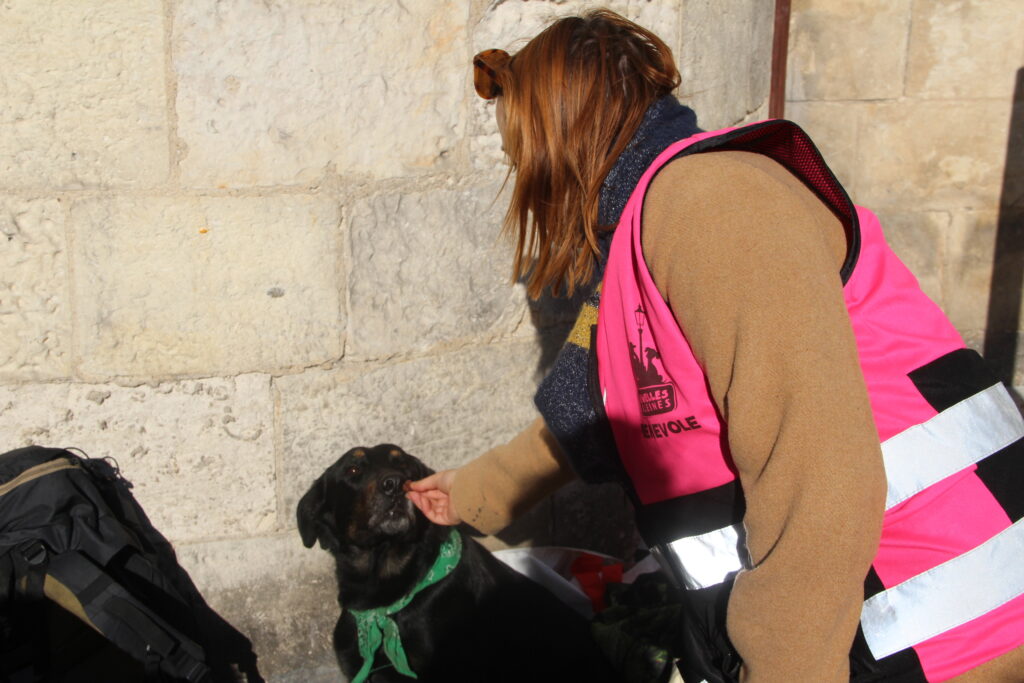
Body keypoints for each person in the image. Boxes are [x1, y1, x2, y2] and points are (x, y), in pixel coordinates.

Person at [405, 9, 1024, 682]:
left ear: (563, 138)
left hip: (955, 618)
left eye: (523, 153)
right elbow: (595, 409)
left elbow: (817, 477)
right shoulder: (646, 231)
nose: (523, 173)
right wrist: (468, 493)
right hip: (892, 615)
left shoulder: (713, 204)